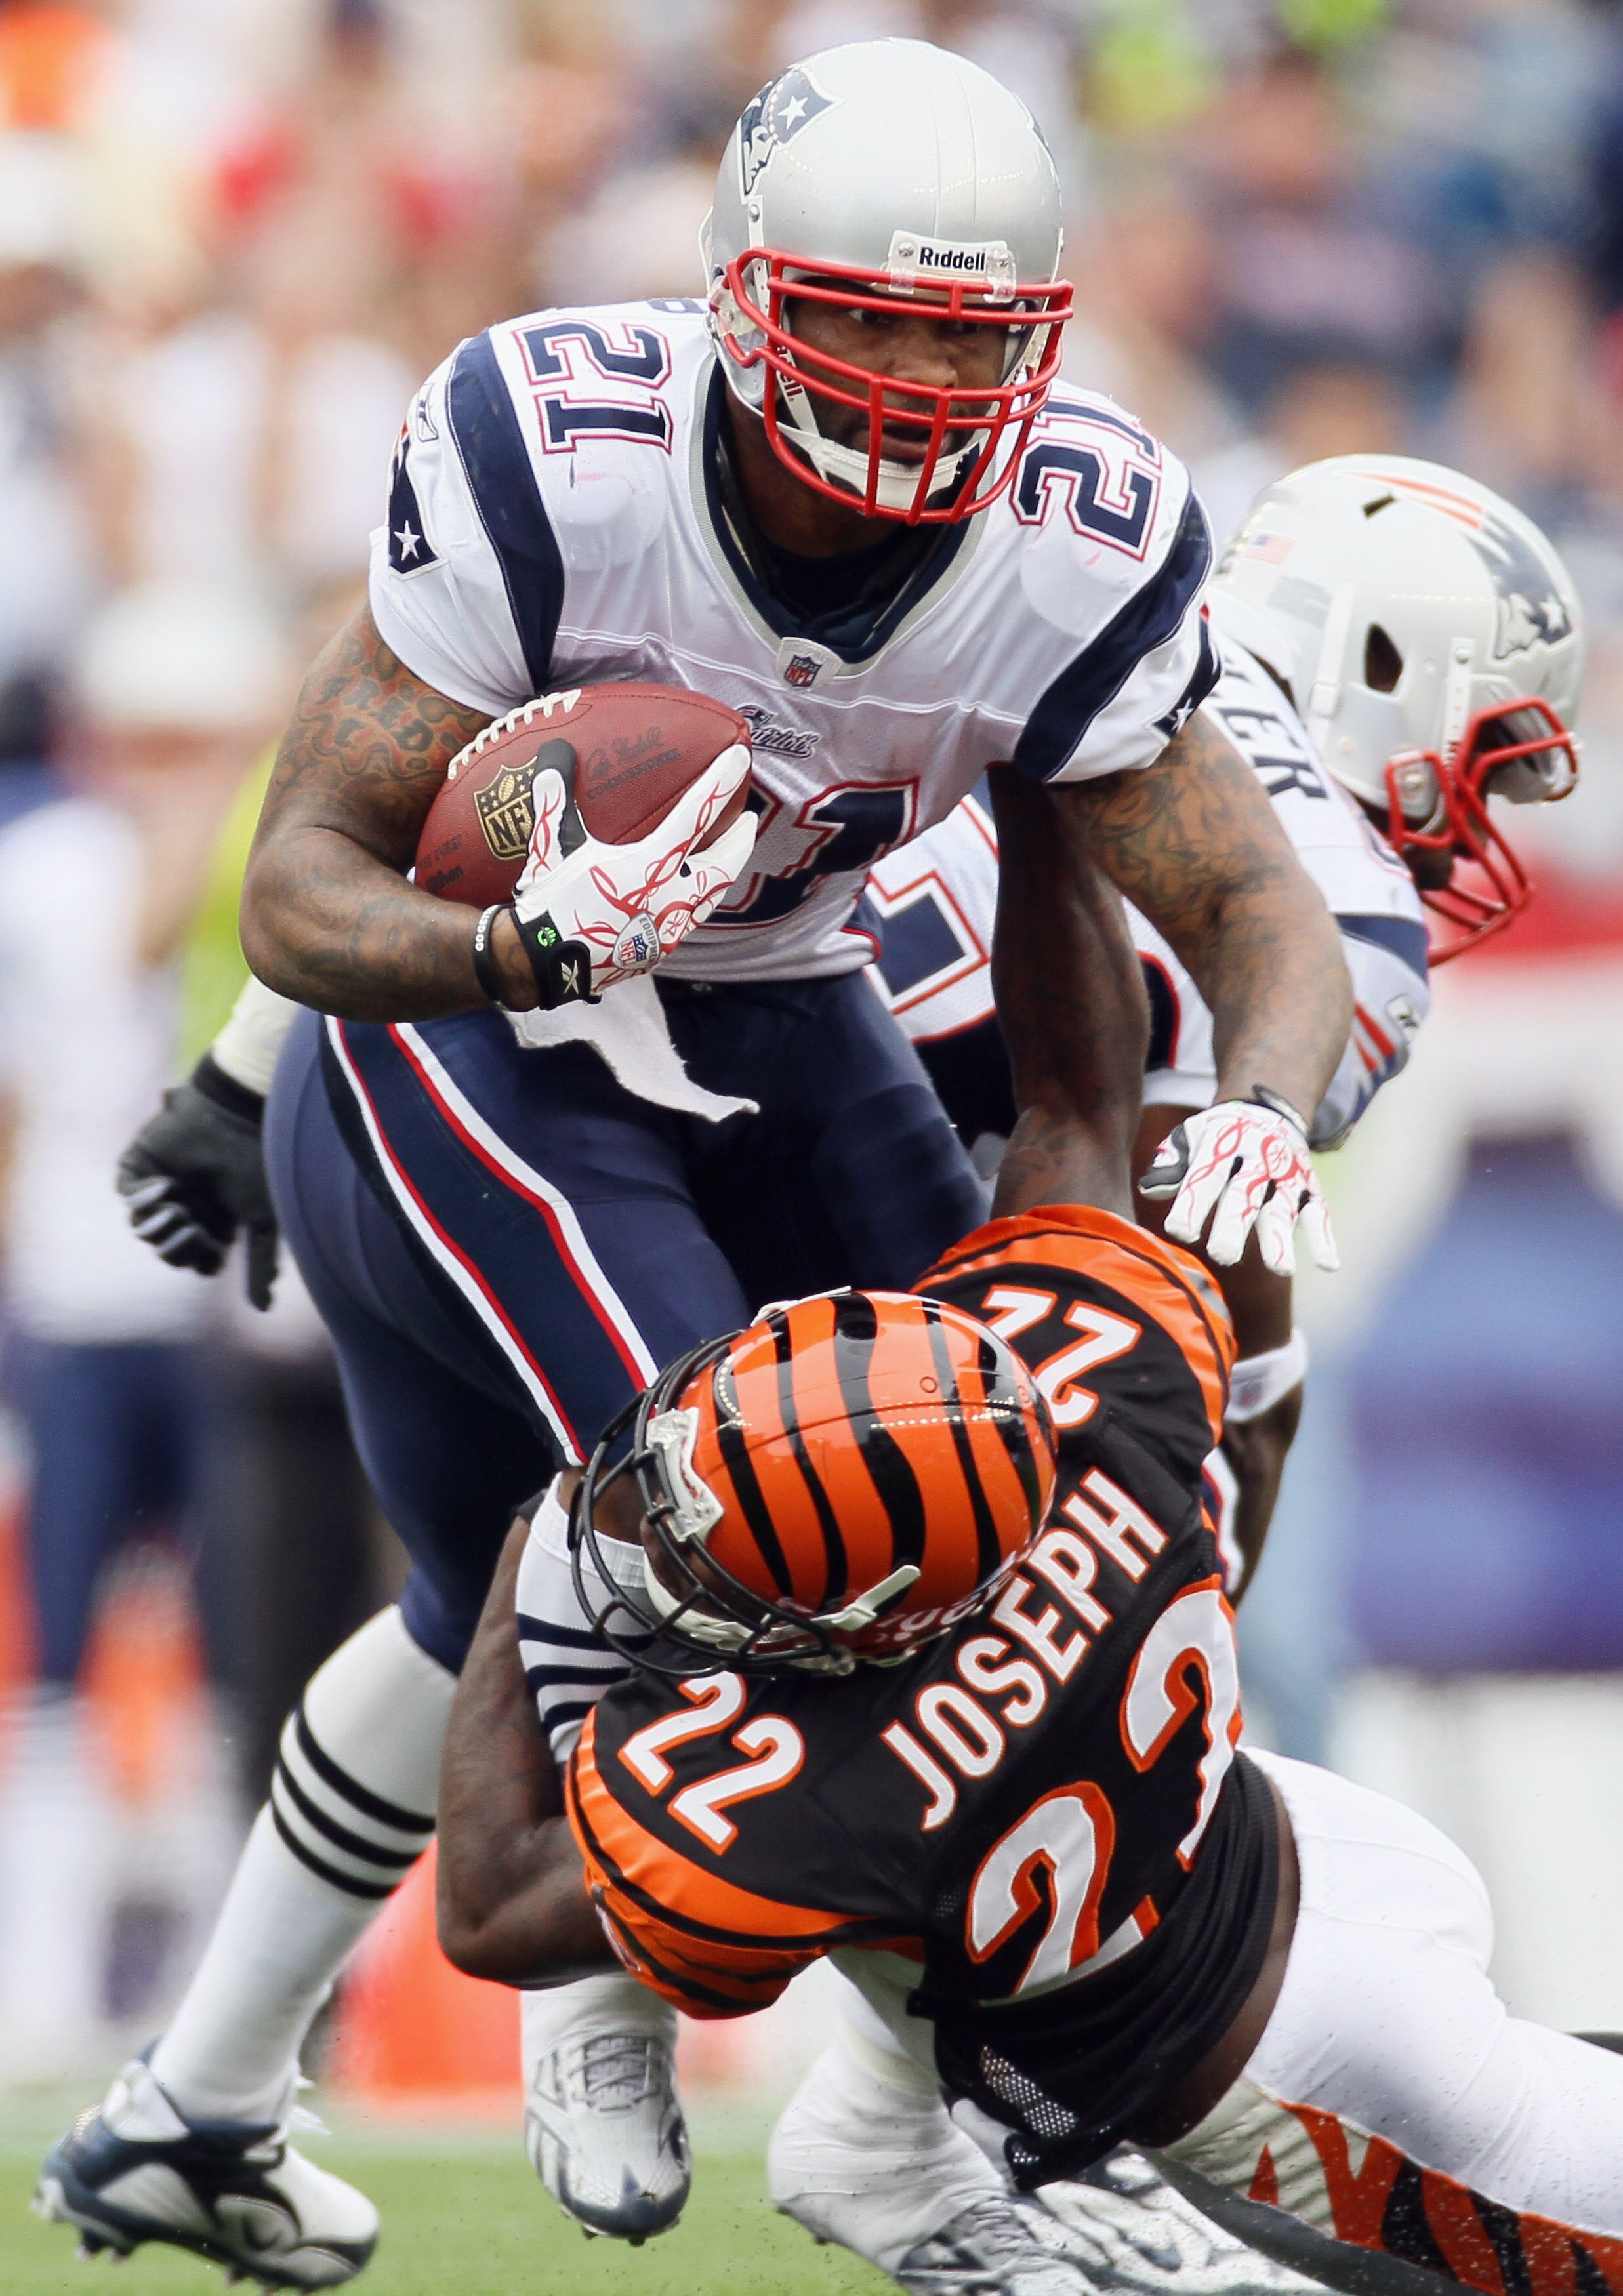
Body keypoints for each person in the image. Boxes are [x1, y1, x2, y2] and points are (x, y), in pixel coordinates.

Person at [39, 41, 1353, 2289]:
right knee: (782, 1494)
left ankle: (234, 2105)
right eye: (867, 321)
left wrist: (1249, 1107)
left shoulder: (1078, 543)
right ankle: (689, 2027)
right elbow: (306, 878)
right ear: (742, 296)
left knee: (1006, 1510)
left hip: (786, 1005)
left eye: (969, 337)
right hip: (489, 1028)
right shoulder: (559, 451)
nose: (922, 386)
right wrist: (499, 949)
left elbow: (1253, 916)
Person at [424, 767, 1623, 2296]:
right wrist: (1056, 773)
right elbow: (1081, 1093)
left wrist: (532, 1540)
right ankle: (891, 2139)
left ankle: (900, 2140)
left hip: (1286, 2059)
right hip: (1295, 1864)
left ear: (853, 1621)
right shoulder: (1097, 1385)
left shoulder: (833, 1790)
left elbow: (489, 1906)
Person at [867, 455, 1584, 1580]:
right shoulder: (1348, 909)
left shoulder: (1102, 636)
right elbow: (1170, 1255)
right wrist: (1264, 1404)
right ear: (1386, 666)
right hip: (882, 1234)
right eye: (1480, 769)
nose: (1457, 843)